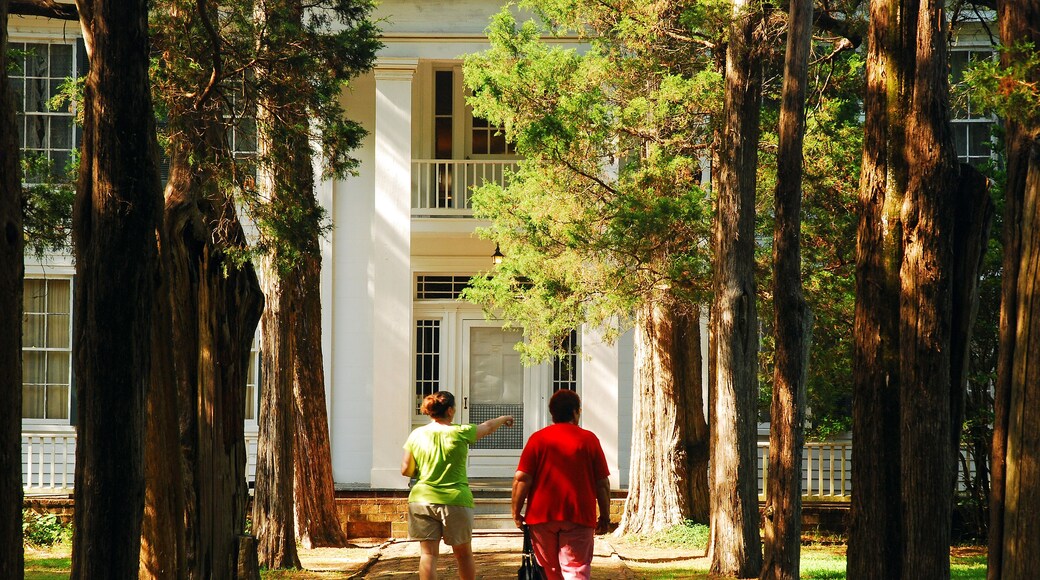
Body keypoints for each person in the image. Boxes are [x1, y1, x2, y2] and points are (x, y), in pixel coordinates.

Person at [401, 390, 515, 580]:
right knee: (463, 555)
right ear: (451, 410)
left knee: (428, 555)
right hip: (456, 500)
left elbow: (405, 469)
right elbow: (486, 427)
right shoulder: (461, 432)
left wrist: (422, 471)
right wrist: (504, 418)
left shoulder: (416, 435)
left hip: (422, 500)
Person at [511, 389, 610, 580]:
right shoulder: (589, 440)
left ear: (552, 413)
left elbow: (522, 479)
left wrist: (516, 512)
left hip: (541, 517)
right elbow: (602, 483)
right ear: (575, 412)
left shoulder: (537, 439)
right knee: (576, 568)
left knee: (549, 571)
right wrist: (604, 515)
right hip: (578, 515)